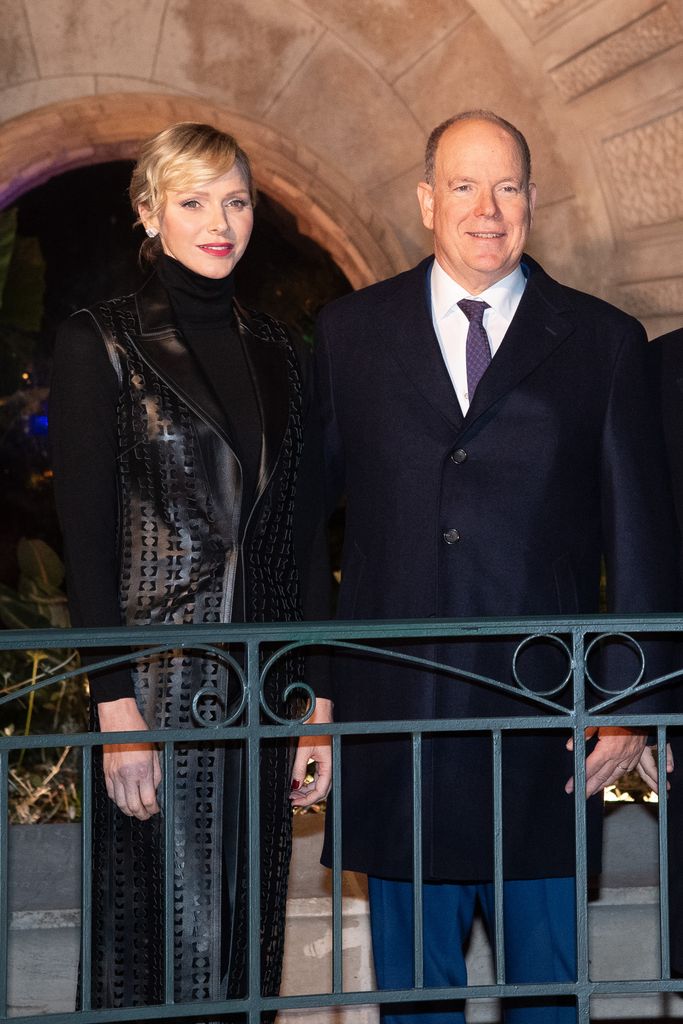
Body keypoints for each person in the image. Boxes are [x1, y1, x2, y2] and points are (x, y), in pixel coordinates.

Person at [291, 110, 677, 1023]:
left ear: (532, 202)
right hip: (397, 729)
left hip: (544, 735)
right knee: (413, 1004)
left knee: (545, 998)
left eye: (506, 187)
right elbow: (306, 529)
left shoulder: (601, 341)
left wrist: (624, 706)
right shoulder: (348, 334)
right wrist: (313, 696)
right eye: (463, 186)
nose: (486, 209)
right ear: (427, 200)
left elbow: (640, 541)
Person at [50, 122, 328, 1019]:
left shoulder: (285, 350)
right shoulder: (102, 341)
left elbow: (299, 536)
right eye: (194, 200)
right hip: (159, 690)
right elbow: (85, 541)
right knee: (158, 940)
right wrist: (114, 704)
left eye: (237, 200)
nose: (221, 222)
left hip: (262, 690)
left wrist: (316, 700)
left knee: (248, 936)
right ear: (148, 213)